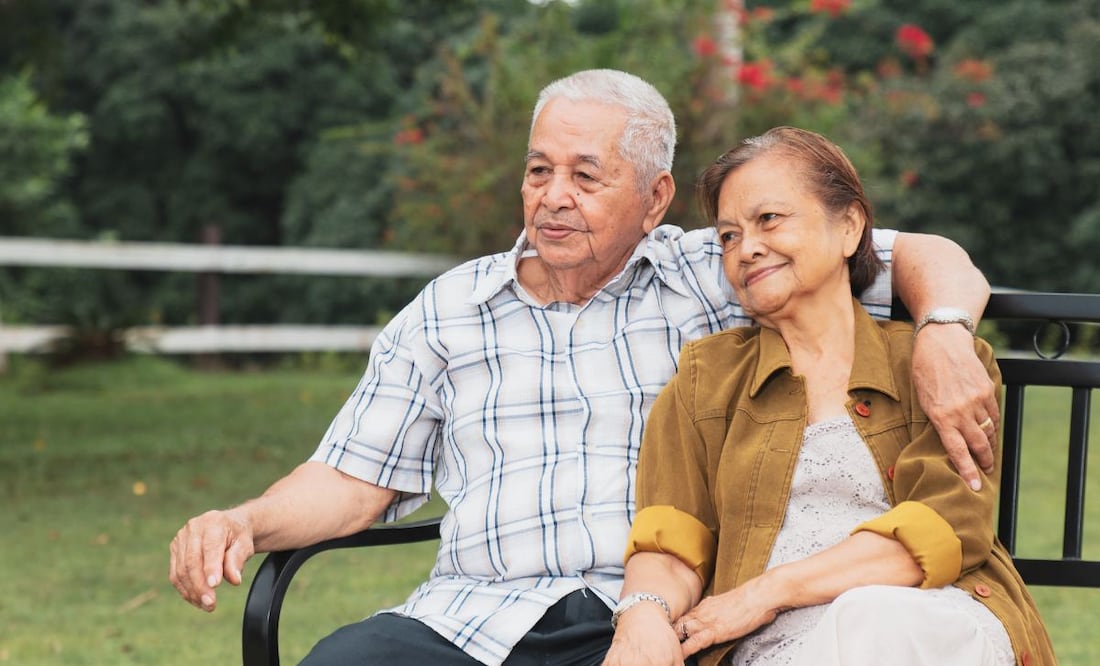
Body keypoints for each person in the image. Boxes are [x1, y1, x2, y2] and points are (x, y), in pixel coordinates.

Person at [170, 70, 999, 666]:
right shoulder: (450, 308)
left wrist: (944, 330)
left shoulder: (722, 267)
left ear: (655, 199)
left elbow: (921, 255)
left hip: (651, 617)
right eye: (539, 170)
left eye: (585, 175)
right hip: (467, 620)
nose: (553, 195)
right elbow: (353, 479)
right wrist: (244, 521)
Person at [603, 127, 1054, 666]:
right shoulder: (705, 381)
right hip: (775, 652)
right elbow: (670, 543)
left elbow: (947, 525)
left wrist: (766, 592)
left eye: (770, 219)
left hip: (928, 628)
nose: (747, 248)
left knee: (870, 619)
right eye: (729, 236)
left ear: (849, 227)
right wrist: (642, 615)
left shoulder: (937, 368)